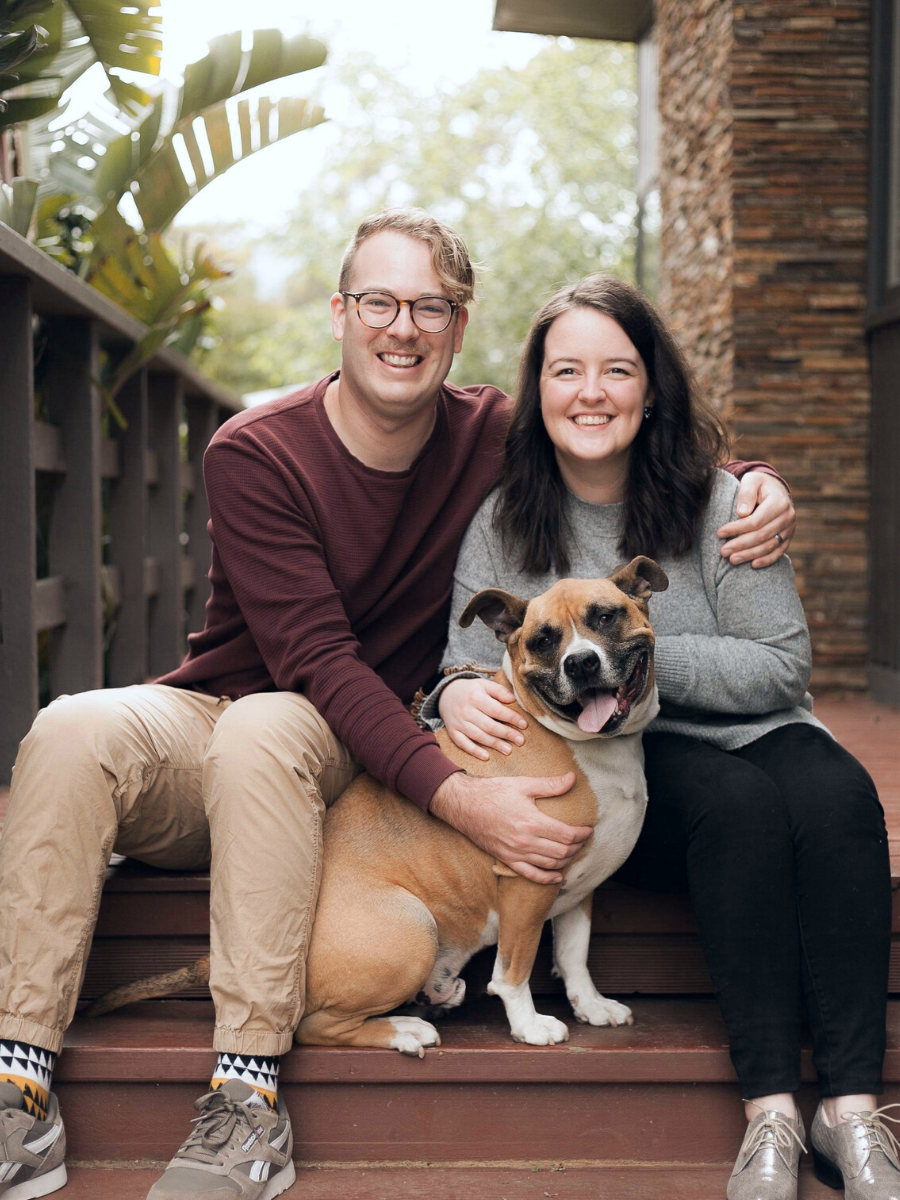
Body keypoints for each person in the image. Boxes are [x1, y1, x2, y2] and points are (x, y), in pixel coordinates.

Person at [0, 211, 795, 1200]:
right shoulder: (257, 451)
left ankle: (246, 1098)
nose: (402, 327)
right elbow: (315, 660)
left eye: (431, 307)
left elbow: (617, 437)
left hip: (341, 742)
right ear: (341, 313)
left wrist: (752, 484)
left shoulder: (493, 436)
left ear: (459, 328)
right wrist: (464, 800)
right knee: (73, 724)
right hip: (247, 710)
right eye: (379, 302)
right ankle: (16, 1084)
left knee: (268, 728)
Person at [417, 273, 894, 1200]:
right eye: (566, 370)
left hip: (757, 724)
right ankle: (770, 1114)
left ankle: (853, 1112)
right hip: (622, 758)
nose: (591, 392)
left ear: (651, 387)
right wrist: (453, 695)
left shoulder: (724, 503)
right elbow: (465, 666)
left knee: (839, 796)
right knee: (741, 808)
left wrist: (633, 655)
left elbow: (779, 665)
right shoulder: (505, 520)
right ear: (539, 389)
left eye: (617, 369)